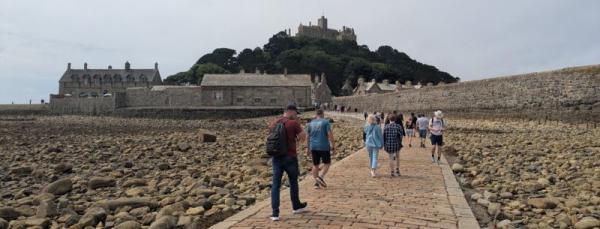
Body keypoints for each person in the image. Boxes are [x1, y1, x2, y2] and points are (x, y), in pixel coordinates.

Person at [268, 103, 308, 221]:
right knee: (293, 182)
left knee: (275, 184)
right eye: (295, 113)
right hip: (290, 156)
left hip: (276, 157)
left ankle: (275, 213)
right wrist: (299, 125)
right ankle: (296, 206)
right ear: (291, 111)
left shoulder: (274, 123)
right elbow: (303, 138)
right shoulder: (294, 123)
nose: (296, 115)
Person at [305, 109, 335, 189]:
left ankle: (316, 183)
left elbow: (307, 137)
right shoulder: (325, 122)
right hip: (324, 146)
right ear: (322, 114)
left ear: (316, 114)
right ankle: (320, 177)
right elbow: (330, 135)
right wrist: (333, 145)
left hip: (313, 147)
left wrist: (307, 148)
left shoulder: (310, 123)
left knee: (315, 165)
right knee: (327, 163)